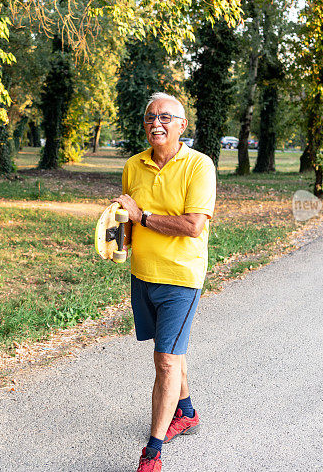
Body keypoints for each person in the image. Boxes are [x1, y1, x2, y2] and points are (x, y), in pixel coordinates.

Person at [112, 92, 216, 472]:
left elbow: (192, 225)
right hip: (143, 275)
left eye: (166, 118)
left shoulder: (199, 166)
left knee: (165, 360)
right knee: (170, 350)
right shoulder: (133, 166)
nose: (157, 123)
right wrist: (117, 235)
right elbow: (129, 216)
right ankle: (185, 413)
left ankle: (152, 453)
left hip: (180, 278)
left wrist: (141, 217)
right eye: (151, 117)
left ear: (182, 126)